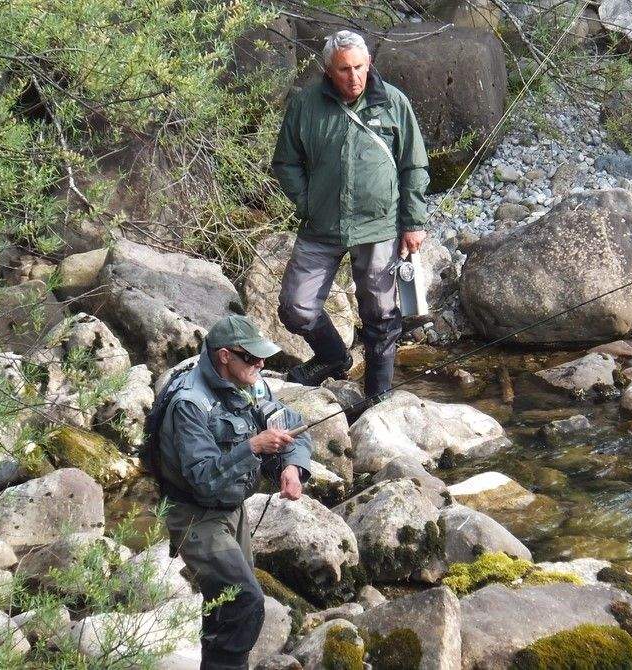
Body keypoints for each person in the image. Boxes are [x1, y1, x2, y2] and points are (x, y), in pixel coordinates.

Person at [272, 29, 430, 400]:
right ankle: (332, 358)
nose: (354, 77)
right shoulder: (306, 105)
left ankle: (378, 394)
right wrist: (307, 203)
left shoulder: (393, 102)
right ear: (328, 70)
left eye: (359, 67)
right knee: (296, 308)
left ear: (369, 64)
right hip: (321, 225)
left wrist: (413, 223)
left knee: (380, 314)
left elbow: (415, 166)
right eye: (344, 69)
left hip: (379, 226)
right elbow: (286, 162)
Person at [156, 314, 312, 670]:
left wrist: (291, 467)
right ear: (225, 356)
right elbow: (203, 478)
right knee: (243, 600)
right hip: (193, 515)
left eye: (262, 357)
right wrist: (253, 447)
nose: (261, 364)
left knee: (223, 604)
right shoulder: (189, 405)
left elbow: (289, 424)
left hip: (232, 509)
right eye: (252, 357)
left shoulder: (253, 385)